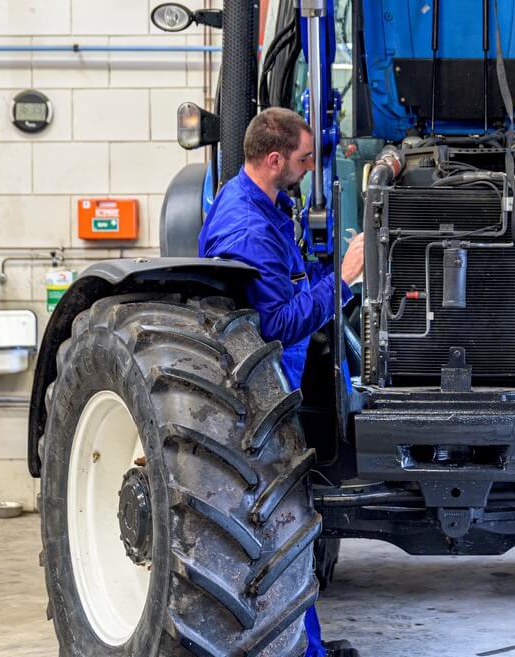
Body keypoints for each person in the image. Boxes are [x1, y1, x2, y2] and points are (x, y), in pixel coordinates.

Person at [199, 106, 364, 657]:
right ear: (275, 159)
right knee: (279, 521)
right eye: (303, 157)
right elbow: (277, 323)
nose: (310, 165)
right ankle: (303, 651)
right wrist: (343, 281)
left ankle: (307, 647)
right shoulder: (248, 228)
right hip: (256, 396)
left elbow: (294, 278)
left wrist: (335, 271)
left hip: (277, 384)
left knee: (287, 521)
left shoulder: (268, 206)